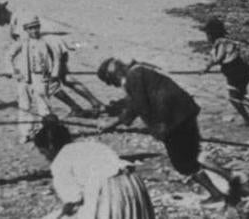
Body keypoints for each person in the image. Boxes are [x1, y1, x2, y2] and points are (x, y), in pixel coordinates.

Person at [96, 57, 235, 205]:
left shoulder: (132, 78)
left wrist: (114, 123)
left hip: (172, 121)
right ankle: (233, 178)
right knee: (194, 153)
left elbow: (138, 105)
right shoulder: (141, 69)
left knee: (183, 164)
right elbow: (134, 100)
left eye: (112, 82)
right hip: (185, 112)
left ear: (115, 75)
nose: (116, 85)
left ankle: (216, 193)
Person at [0, 2, 105, 117]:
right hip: (57, 45)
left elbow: (28, 47)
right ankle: (95, 103)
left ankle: (77, 108)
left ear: (1, 15)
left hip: (47, 48)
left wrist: (15, 69)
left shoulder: (21, 22)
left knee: (49, 84)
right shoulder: (20, 16)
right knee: (65, 78)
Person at [32, 117, 155, 219]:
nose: (46, 158)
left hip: (108, 188)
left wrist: (62, 212)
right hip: (133, 183)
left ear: (51, 147)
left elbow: (73, 200)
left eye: (44, 152)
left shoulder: (60, 161)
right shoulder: (90, 145)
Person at [202, 18, 249, 127]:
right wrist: (206, 68)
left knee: (234, 98)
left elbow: (219, 57)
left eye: (207, 34)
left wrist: (211, 64)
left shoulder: (221, 42)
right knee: (241, 96)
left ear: (212, 34)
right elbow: (213, 58)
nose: (206, 37)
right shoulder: (222, 43)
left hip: (235, 71)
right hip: (242, 70)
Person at [8, 14, 60, 142]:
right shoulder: (22, 42)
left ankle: (47, 133)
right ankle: (25, 133)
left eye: (36, 27)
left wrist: (54, 73)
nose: (34, 31)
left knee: (44, 106)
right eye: (30, 28)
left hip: (41, 78)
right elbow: (9, 55)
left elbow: (56, 58)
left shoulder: (46, 41)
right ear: (26, 30)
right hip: (24, 79)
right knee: (25, 106)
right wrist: (13, 71)